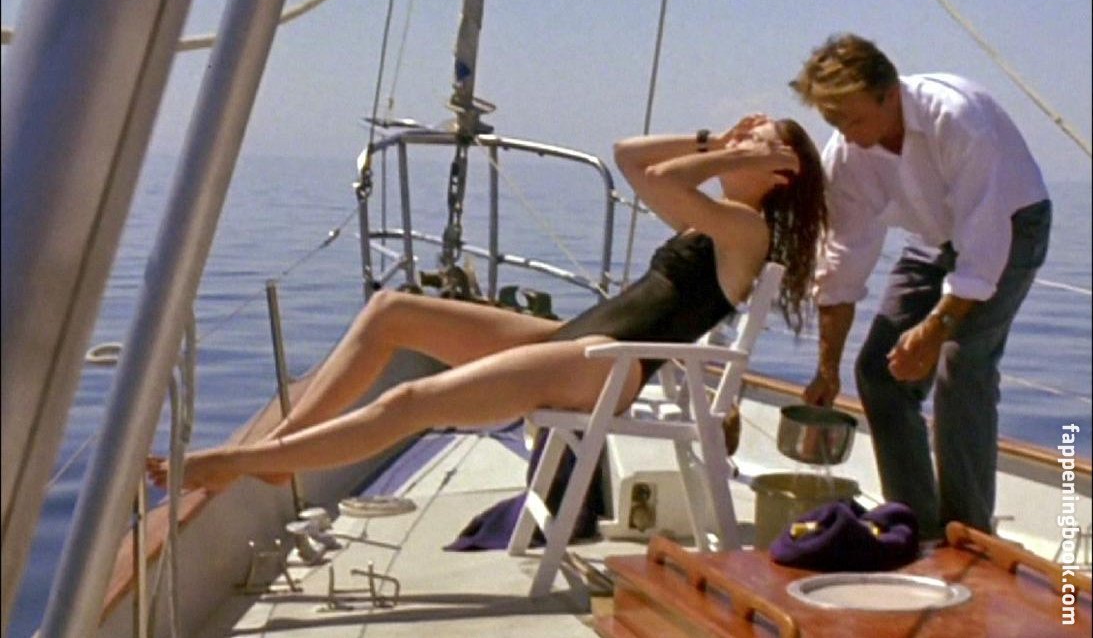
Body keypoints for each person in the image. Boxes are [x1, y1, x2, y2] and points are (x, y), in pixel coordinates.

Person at [149, 115, 827, 495]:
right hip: (583, 339)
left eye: (760, 136)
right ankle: (278, 448)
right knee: (391, 311)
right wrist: (719, 143)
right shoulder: (711, 221)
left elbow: (665, 179)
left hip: (609, 365)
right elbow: (627, 156)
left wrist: (728, 154)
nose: (743, 133)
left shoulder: (746, 230)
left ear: (781, 173)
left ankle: (238, 462)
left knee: (411, 400)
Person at [791, 32, 1051, 539]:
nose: (846, 135)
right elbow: (843, 261)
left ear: (890, 93)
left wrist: (934, 329)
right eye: (834, 122)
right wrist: (827, 369)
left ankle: (966, 531)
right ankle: (914, 523)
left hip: (1011, 222)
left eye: (853, 119)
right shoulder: (846, 155)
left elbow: (982, 249)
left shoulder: (957, 119)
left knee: (960, 363)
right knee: (877, 372)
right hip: (933, 236)